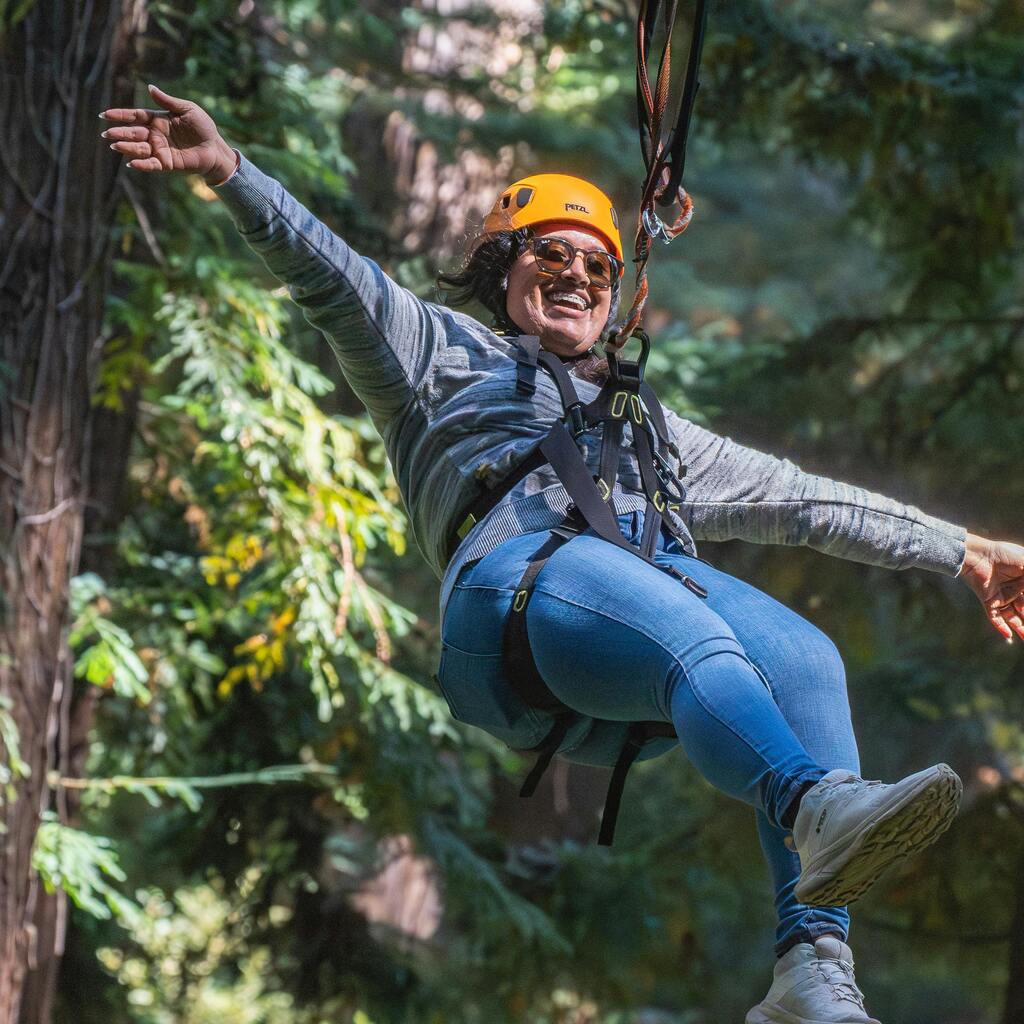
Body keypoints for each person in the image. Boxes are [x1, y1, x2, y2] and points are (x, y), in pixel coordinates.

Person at [100, 84, 1024, 1024]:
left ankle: (812, 967)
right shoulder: (435, 351)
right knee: (682, 620)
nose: (577, 273)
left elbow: (804, 499)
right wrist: (230, 171)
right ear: (503, 267)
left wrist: (965, 551)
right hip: (510, 599)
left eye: (597, 264)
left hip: (634, 621)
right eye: (551, 253)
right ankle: (809, 801)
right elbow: (329, 273)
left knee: (804, 659)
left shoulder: (645, 424)